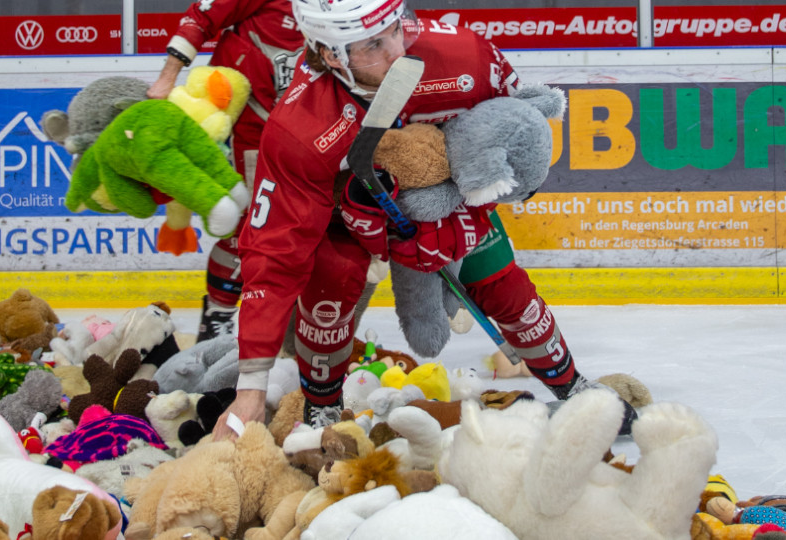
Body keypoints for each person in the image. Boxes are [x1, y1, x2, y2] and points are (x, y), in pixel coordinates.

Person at [213, 0, 637, 439]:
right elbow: (274, 253)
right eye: (373, 44)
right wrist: (250, 388)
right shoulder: (300, 127)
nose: (396, 50)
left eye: (396, 29)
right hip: (346, 221)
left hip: (447, 199)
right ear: (330, 54)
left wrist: (461, 212)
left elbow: (508, 144)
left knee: (499, 280)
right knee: (329, 295)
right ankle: (323, 407)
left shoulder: (464, 57)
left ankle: (571, 386)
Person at [147, 0, 305, 343]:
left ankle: (299, 329)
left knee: (309, 225)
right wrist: (166, 78)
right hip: (251, 126)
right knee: (250, 224)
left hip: (309, 129)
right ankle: (217, 316)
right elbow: (202, 16)